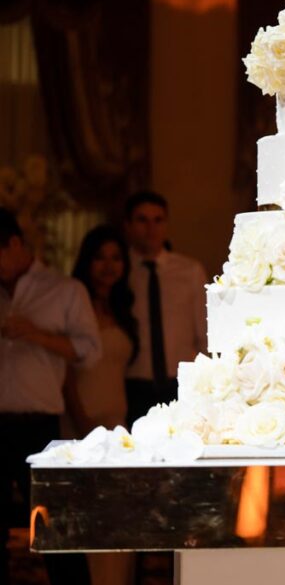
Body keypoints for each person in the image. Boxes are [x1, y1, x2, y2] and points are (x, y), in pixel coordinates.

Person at [0, 207, 98, 585]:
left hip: (38, 426)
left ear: (14, 244)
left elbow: (91, 351)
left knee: (57, 530)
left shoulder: (64, 290)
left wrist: (35, 334)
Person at [64, 225, 137, 585]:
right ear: (86, 261)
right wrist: (81, 422)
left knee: (118, 518)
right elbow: (64, 373)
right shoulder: (75, 306)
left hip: (117, 425)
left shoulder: (125, 308)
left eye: (115, 258)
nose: (108, 266)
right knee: (87, 519)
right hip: (80, 423)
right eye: (99, 258)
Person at [122, 191, 207, 425]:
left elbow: (203, 330)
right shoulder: (120, 272)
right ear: (128, 225)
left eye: (158, 220)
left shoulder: (189, 270)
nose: (151, 228)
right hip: (132, 383)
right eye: (142, 220)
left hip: (180, 381)